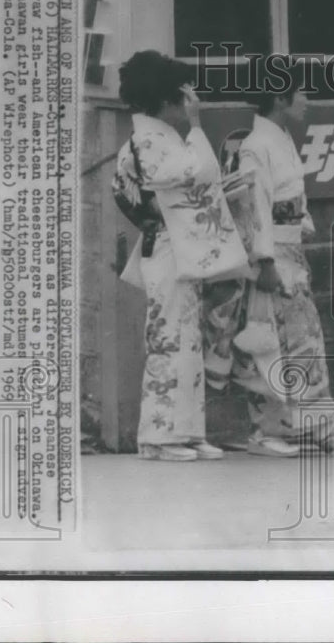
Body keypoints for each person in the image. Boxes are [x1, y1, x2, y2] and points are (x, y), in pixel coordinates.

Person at [208, 79, 334, 456]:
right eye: (302, 93)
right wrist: (264, 260)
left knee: (284, 339)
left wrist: (301, 223)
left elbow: (291, 196)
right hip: (272, 253)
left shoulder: (277, 138)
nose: (307, 100)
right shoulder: (257, 146)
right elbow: (254, 206)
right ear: (281, 98)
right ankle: (293, 427)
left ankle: (289, 428)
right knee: (285, 339)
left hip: (287, 247)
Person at [112, 51, 249, 462]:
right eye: (181, 98)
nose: (186, 104)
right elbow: (194, 173)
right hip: (168, 246)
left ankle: (185, 431)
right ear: (166, 100)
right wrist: (196, 125)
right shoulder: (149, 141)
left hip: (177, 247)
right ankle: (157, 437)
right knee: (169, 338)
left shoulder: (153, 139)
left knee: (185, 339)